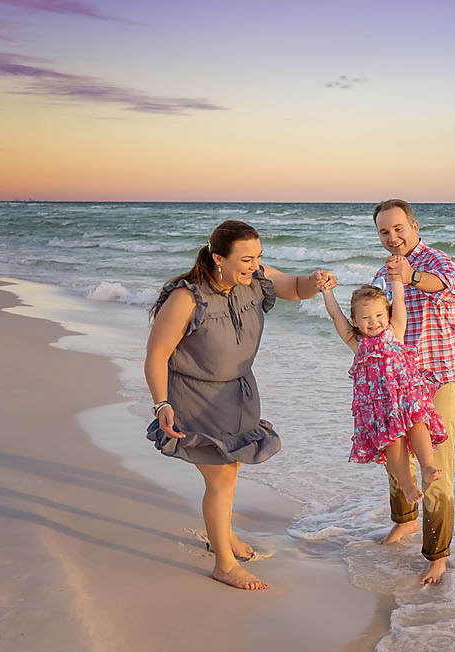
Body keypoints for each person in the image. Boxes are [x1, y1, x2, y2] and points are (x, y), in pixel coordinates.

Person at [143, 219, 334, 591]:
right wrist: (161, 404)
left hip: (237, 394)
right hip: (193, 397)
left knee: (230, 470)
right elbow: (156, 355)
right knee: (222, 476)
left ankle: (223, 536)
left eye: (259, 256)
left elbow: (295, 288)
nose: (254, 264)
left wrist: (316, 280)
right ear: (219, 259)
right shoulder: (187, 298)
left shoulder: (256, 280)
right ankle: (224, 564)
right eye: (246, 259)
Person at [370, 199, 455, 585]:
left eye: (398, 229)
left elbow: (453, 289)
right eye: (384, 232)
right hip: (397, 377)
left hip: (438, 376)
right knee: (395, 456)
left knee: (435, 465)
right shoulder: (382, 272)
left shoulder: (438, 262)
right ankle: (405, 521)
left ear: (414, 225)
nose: (392, 238)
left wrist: (409, 276)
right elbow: (375, 324)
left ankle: (438, 553)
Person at [320, 279, 448, 519]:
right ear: (356, 321)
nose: (374, 322)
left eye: (379, 315)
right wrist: (327, 292)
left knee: (418, 423)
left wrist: (397, 280)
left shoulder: (395, 330)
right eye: (365, 318)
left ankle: (427, 465)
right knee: (394, 441)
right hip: (381, 405)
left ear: (387, 315)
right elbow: (337, 316)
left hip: (406, 393)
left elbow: (399, 302)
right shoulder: (356, 342)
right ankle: (407, 485)